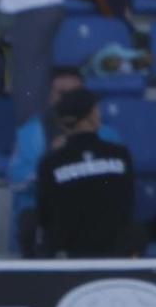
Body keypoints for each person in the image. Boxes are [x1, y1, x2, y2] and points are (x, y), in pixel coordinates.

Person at [9, 67, 124, 244]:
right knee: (30, 223)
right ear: (50, 96)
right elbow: (16, 181)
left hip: (94, 208)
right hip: (48, 210)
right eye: (61, 92)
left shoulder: (109, 136)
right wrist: (51, 159)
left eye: (74, 93)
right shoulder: (29, 133)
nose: (67, 98)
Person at [34, 88, 139, 257]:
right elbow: (130, 203)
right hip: (116, 253)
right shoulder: (120, 154)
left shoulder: (51, 163)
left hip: (70, 255)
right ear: (92, 115)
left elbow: (44, 216)